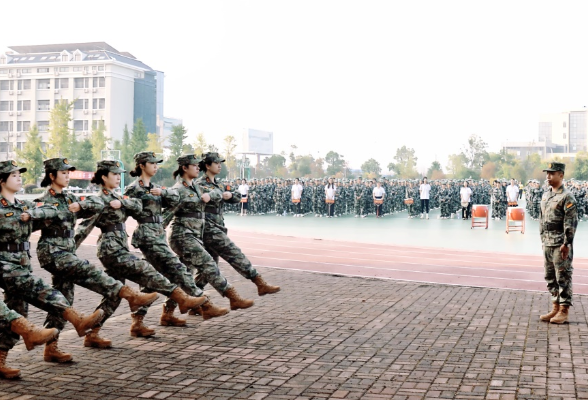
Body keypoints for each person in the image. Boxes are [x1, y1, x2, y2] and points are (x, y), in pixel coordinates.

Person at [36, 158, 157, 362]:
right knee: (91, 272)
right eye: (63, 172)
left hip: (66, 252)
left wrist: (84, 205)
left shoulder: (69, 197)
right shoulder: (43, 201)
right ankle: (131, 295)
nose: (67, 176)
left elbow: (91, 210)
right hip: (54, 253)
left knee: (63, 301)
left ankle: (51, 347)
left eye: (68, 172)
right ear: (51, 176)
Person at [75, 160, 209, 340]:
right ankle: (181, 298)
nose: (118, 177)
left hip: (120, 247)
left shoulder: (117, 197)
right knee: (147, 270)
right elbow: (84, 228)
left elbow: (138, 206)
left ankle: (93, 334)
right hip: (111, 250)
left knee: (113, 296)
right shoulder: (99, 200)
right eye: (114, 174)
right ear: (104, 177)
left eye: (119, 174)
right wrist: (69, 252)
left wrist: (122, 203)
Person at [0, 160, 103, 372]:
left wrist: (33, 214)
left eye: (20, 175)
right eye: (14, 176)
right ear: (2, 181)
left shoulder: (23, 205)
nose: (19, 178)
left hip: (22, 262)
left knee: (16, 312)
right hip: (6, 265)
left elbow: (50, 209)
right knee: (42, 290)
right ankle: (77, 319)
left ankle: (1, 359)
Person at [125, 152, 212, 328]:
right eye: (152, 163)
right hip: (147, 236)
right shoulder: (134, 188)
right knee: (176, 268)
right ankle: (204, 303)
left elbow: (176, 198)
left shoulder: (157, 186)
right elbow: (127, 209)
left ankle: (145, 319)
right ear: (142, 165)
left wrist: (163, 192)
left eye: (157, 163)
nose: (156, 166)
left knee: (154, 277)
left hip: (158, 235)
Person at [166, 154, 248, 315]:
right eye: (194, 165)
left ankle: (167, 312)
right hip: (182, 235)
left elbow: (219, 195)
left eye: (198, 165)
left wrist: (223, 195)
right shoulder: (178, 190)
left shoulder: (196, 188)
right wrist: (152, 235)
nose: (198, 167)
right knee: (208, 264)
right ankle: (226, 299)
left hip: (196, 234)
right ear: (184, 168)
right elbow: (167, 214)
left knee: (184, 275)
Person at [196, 152, 281, 300]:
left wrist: (230, 196)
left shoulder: (220, 183)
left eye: (220, 163)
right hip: (209, 228)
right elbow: (208, 197)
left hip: (217, 226)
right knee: (234, 253)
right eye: (216, 163)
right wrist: (222, 194)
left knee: (208, 268)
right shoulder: (199, 184)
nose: (219, 166)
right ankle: (259, 282)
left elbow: (236, 196)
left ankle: (192, 300)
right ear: (207, 166)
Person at [538, 162, 577, 324]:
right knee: (550, 276)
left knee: (563, 276)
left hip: (560, 243)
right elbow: (542, 219)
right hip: (547, 242)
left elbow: (570, 223)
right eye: (547, 173)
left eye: (552, 173)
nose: (548, 176)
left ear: (561, 175)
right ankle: (555, 306)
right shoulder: (547, 195)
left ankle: (563, 310)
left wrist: (567, 244)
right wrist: (542, 238)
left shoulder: (567, 197)